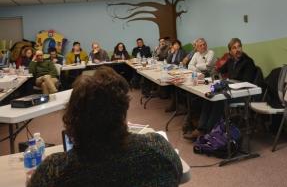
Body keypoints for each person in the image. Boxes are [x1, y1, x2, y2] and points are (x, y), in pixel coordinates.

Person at [27, 67, 183, 187]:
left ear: (71, 116)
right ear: (123, 111)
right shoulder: (157, 148)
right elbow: (177, 173)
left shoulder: (53, 171)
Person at [184, 38, 257, 141]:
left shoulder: (248, 62)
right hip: (230, 90)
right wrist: (210, 73)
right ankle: (201, 128)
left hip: (242, 94)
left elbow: (246, 83)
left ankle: (208, 131)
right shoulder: (231, 60)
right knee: (208, 97)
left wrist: (229, 83)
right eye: (234, 48)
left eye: (239, 47)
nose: (237, 50)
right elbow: (218, 70)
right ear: (230, 51)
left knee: (219, 100)